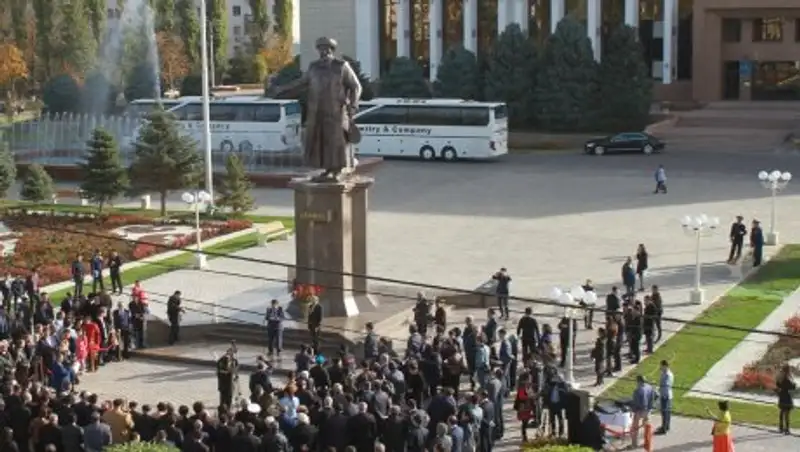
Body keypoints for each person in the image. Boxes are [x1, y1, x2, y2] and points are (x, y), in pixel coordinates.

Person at [630, 375, 655, 449]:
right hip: (648, 410)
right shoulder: (649, 387)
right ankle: (647, 442)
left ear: (639, 381)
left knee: (635, 427)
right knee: (647, 427)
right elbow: (652, 397)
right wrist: (649, 408)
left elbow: (636, 403)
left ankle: (634, 444)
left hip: (640, 411)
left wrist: (634, 411)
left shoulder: (638, 391)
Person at [776, 363, 796, 434]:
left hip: (782, 396)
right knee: (787, 414)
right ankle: (786, 429)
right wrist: (793, 380)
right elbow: (793, 387)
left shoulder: (780, 377)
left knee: (782, 412)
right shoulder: (787, 378)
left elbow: (777, 384)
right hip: (787, 396)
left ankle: (781, 428)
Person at [656, 360, 674, 435]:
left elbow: (666, 385)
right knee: (667, 412)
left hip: (665, 395)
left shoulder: (667, 375)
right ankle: (666, 426)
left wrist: (658, 388)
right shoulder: (665, 373)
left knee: (665, 412)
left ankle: (664, 429)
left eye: (661, 366)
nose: (660, 367)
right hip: (666, 394)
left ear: (665, 366)